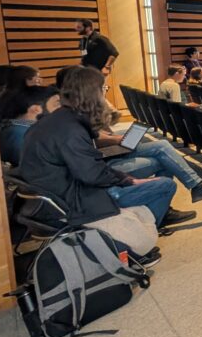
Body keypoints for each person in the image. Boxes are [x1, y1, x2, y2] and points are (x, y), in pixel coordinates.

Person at [18, 66, 178, 227]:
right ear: (93, 94)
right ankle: (136, 240)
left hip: (60, 192)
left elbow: (91, 166)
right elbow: (91, 175)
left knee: (145, 174)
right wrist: (128, 182)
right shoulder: (71, 129)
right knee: (166, 185)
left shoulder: (59, 120)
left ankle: (138, 225)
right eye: (103, 88)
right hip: (72, 201)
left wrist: (126, 179)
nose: (104, 93)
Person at [0, 85, 60, 166]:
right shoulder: (18, 135)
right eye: (57, 104)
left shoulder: (20, 130)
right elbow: (39, 169)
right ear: (36, 109)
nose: (62, 109)